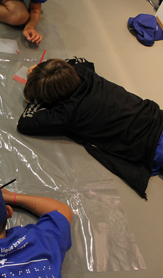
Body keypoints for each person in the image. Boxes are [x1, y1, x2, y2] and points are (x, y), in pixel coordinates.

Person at [17, 57, 163, 199]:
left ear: (49, 99)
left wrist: (36, 92)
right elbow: (81, 60)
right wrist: (41, 68)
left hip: (152, 147)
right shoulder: (83, 72)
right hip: (155, 116)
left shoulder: (66, 113)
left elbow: (25, 123)